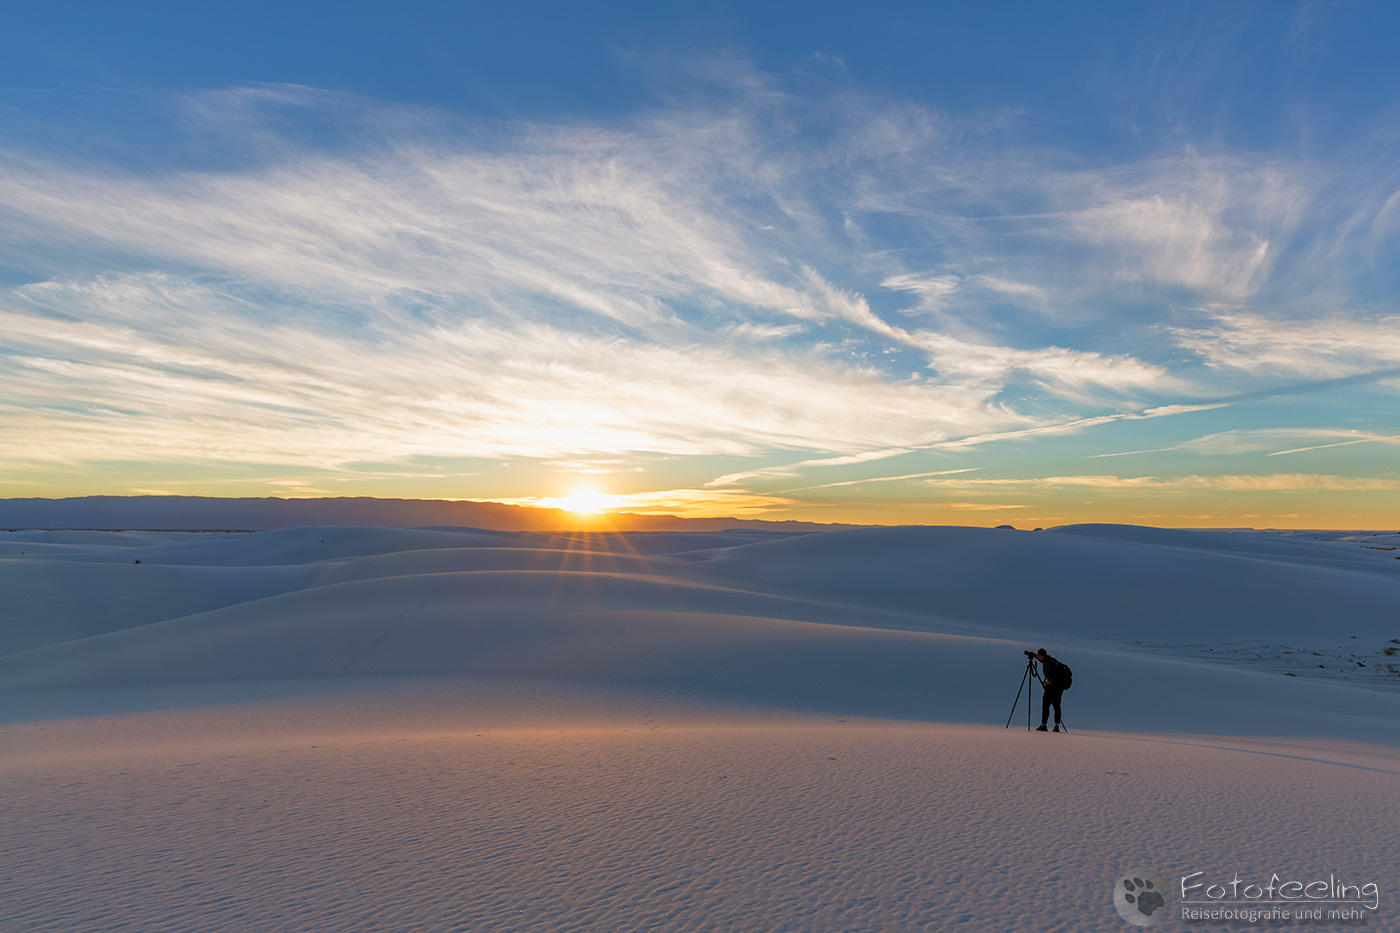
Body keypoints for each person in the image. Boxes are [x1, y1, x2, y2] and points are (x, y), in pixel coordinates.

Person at [1034, 648, 1070, 732]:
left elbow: (1049, 679)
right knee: (1057, 706)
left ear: (1040, 655)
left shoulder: (1046, 664)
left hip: (1051, 688)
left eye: (1038, 656)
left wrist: (1046, 684)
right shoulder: (1052, 660)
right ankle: (1056, 726)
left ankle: (1044, 725)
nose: (1037, 658)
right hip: (1059, 687)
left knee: (1046, 705)